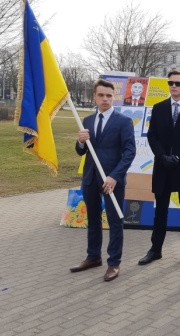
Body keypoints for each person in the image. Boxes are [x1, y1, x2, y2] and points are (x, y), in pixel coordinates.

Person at [70, 79, 136, 282]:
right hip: (91, 177)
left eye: (109, 95)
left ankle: (114, 263)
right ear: (95, 96)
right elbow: (82, 151)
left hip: (112, 180)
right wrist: (80, 142)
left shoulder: (123, 121)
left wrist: (115, 176)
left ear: (113, 97)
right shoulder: (88, 121)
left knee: (115, 221)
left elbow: (129, 151)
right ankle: (93, 257)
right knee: (93, 219)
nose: (105, 99)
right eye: (101, 95)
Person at [138, 70, 180, 267]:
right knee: (160, 211)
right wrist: (163, 156)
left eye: (178, 83)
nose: (173, 86)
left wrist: (179, 156)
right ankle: (155, 250)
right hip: (163, 167)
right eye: (170, 83)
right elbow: (152, 135)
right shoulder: (159, 108)